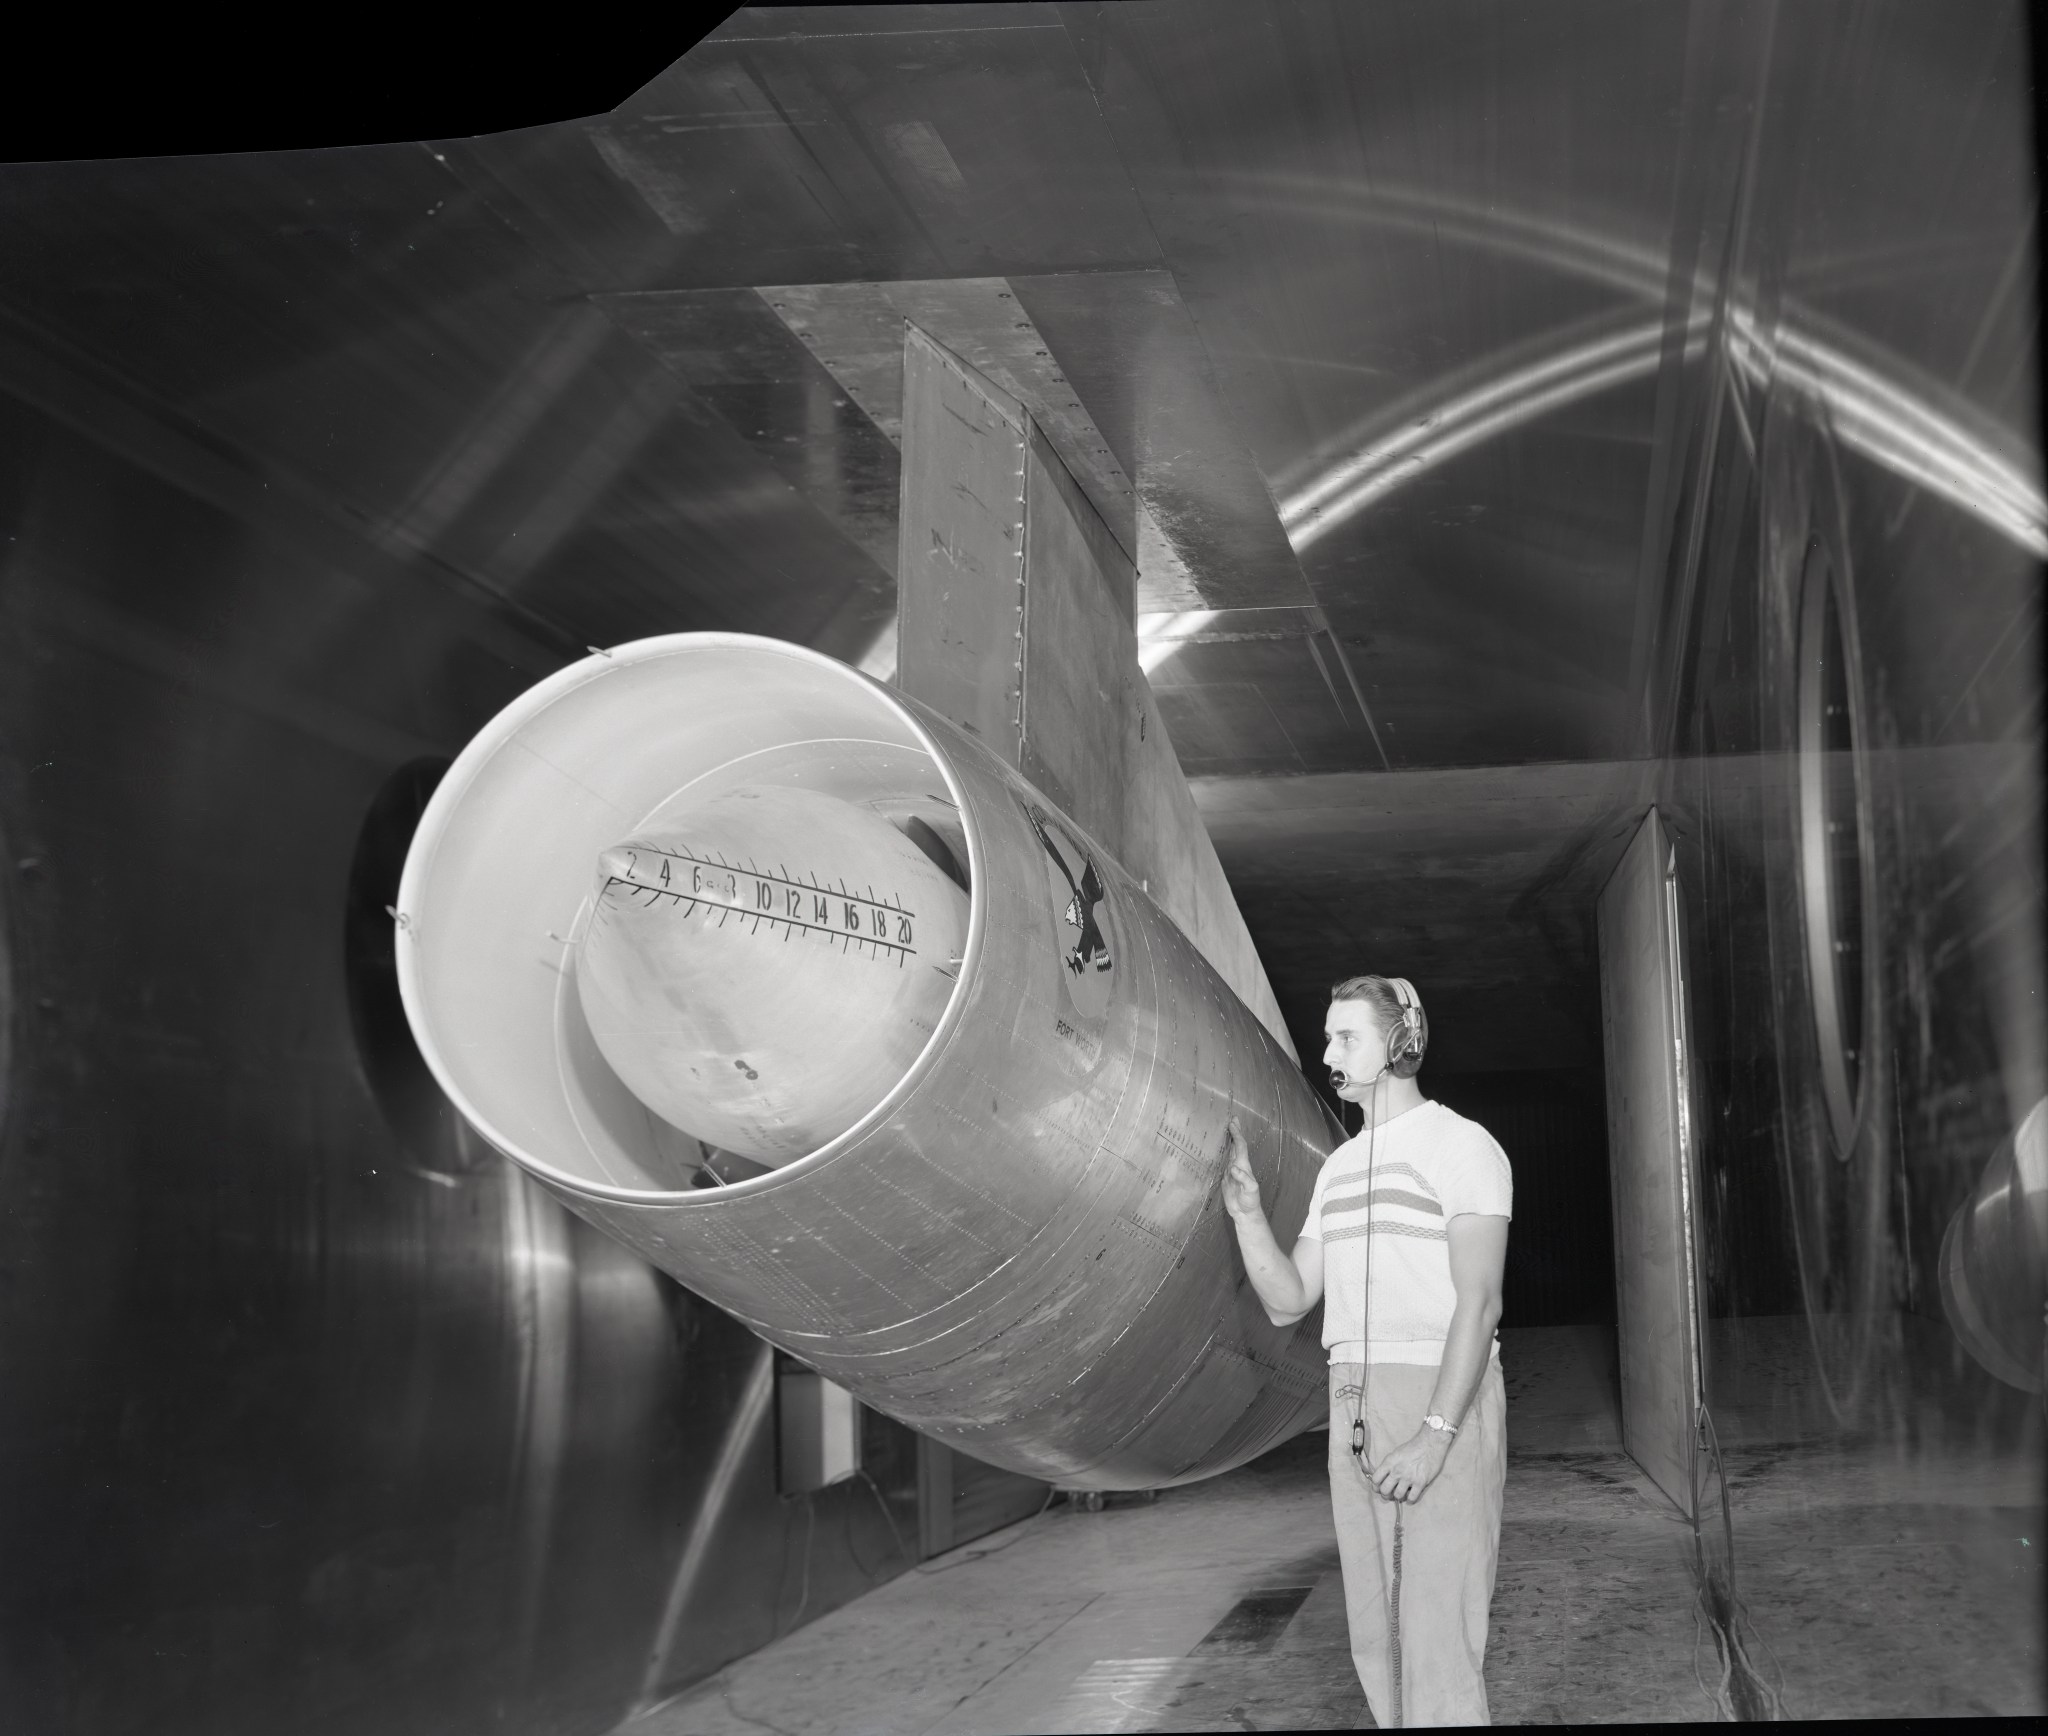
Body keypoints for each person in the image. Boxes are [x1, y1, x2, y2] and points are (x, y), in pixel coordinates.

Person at [1221, 975, 1512, 1727]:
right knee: (1376, 1637)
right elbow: (1289, 1298)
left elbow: (1479, 1305)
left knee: (1436, 1640)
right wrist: (1249, 1216)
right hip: (1351, 1398)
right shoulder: (1338, 1170)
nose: (1327, 1053)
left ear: (1402, 1041)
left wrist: (1435, 1436)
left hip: (1438, 1392)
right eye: (1327, 1037)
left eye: (1345, 1036)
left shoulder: (1464, 1147)